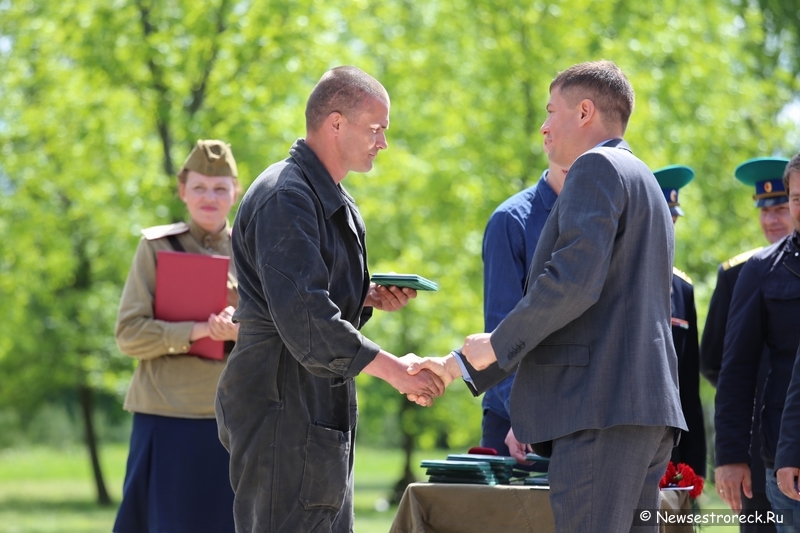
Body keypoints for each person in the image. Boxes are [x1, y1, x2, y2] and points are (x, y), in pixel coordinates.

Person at [410, 60, 686, 533]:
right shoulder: (643, 179)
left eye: (550, 110)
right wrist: (459, 364)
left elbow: (569, 284)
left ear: (584, 112)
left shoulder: (595, 167)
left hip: (598, 411)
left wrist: (494, 346)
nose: (543, 125)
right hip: (641, 413)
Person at [214, 66, 444, 533]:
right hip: (282, 407)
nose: (383, 143)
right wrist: (396, 371)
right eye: (376, 129)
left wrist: (365, 298)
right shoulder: (287, 196)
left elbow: (312, 298)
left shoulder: (330, 196)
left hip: (316, 406)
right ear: (336, 122)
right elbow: (308, 322)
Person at [113, 140, 242, 533]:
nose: (210, 197)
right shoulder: (156, 247)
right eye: (199, 187)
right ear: (182, 190)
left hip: (231, 422)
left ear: (235, 192)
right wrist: (199, 330)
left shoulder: (254, 252)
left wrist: (240, 330)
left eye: (220, 188)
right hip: (165, 419)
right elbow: (129, 335)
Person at [701, 156, 791, 533]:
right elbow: (716, 360)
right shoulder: (739, 272)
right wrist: (754, 402)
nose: (771, 219)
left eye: (782, 208)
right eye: (764, 209)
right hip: (758, 440)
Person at [480, 158, 567, 460]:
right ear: (548, 141)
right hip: (513, 423)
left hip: (578, 417)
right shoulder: (511, 220)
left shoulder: (600, 218)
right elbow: (500, 330)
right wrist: (525, 415)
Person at [653, 165, 706, 478]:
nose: (668, 228)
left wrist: (694, 466)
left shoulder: (683, 289)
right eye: (661, 219)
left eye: (672, 220)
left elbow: (688, 384)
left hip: (673, 454)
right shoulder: (616, 280)